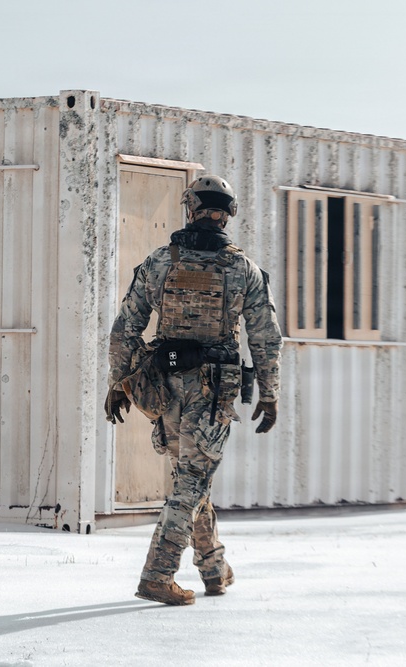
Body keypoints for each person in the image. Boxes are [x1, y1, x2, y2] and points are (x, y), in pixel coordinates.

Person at [105, 174, 282, 606]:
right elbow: (265, 338)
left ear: (191, 209)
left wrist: (119, 380)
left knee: (190, 478)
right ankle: (157, 575)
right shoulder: (244, 270)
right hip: (213, 390)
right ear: (228, 214)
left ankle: (214, 568)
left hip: (165, 386)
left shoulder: (160, 261)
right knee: (191, 481)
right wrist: (269, 392)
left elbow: (126, 326)